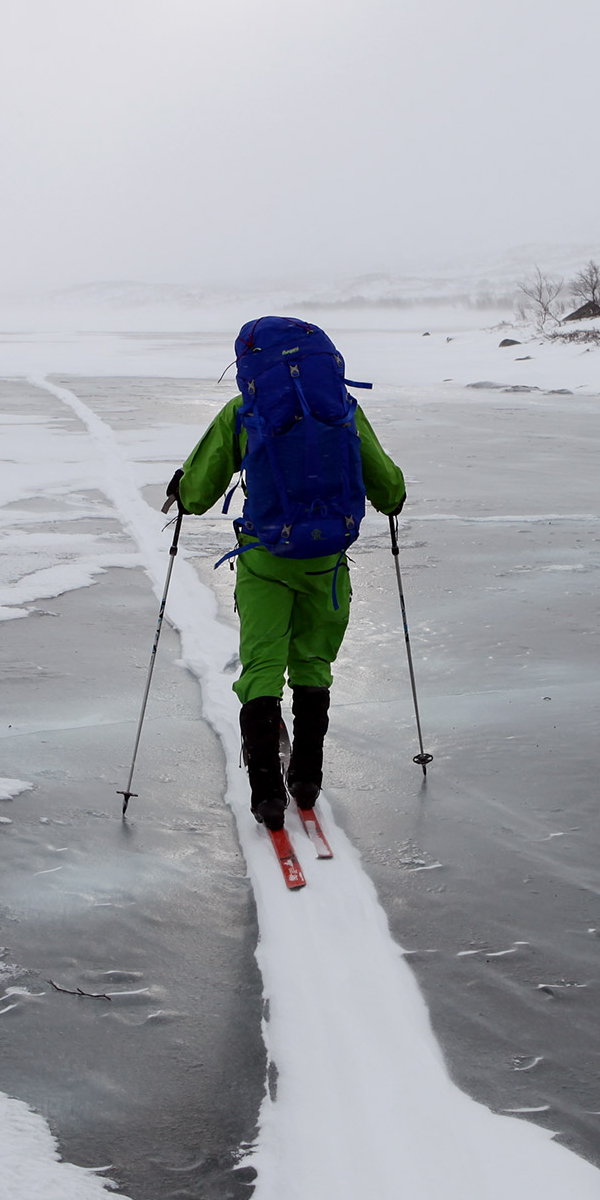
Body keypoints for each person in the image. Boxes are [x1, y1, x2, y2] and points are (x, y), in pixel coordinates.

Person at [164, 317, 406, 831]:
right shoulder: (341, 407)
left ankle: (266, 794)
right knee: (314, 663)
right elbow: (387, 486)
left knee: (263, 667)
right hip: (327, 562)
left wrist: (181, 492)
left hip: (266, 560)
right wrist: (393, 497)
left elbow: (200, 491)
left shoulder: (244, 411)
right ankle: (307, 779)